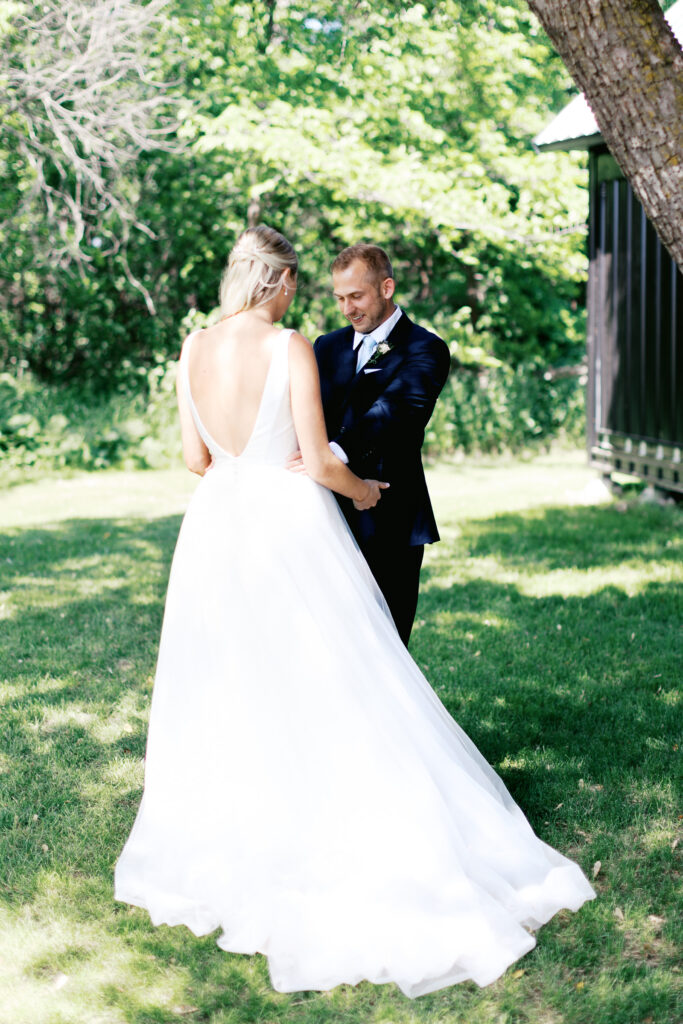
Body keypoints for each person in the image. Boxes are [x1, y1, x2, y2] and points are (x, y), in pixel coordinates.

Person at [114, 225, 595, 999]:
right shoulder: (288, 345)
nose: (303, 301)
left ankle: (247, 822)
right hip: (287, 523)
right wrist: (363, 491)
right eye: (299, 286)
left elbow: (194, 459)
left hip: (217, 530)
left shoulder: (192, 347)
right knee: (335, 673)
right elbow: (316, 454)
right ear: (276, 282)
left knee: (233, 675)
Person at [290, 244, 450, 645]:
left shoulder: (425, 348)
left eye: (356, 296)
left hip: (390, 520)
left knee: (386, 646)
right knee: (326, 641)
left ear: (387, 287)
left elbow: (395, 412)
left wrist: (329, 456)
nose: (347, 308)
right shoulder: (326, 346)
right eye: (340, 298)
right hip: (324, 513)